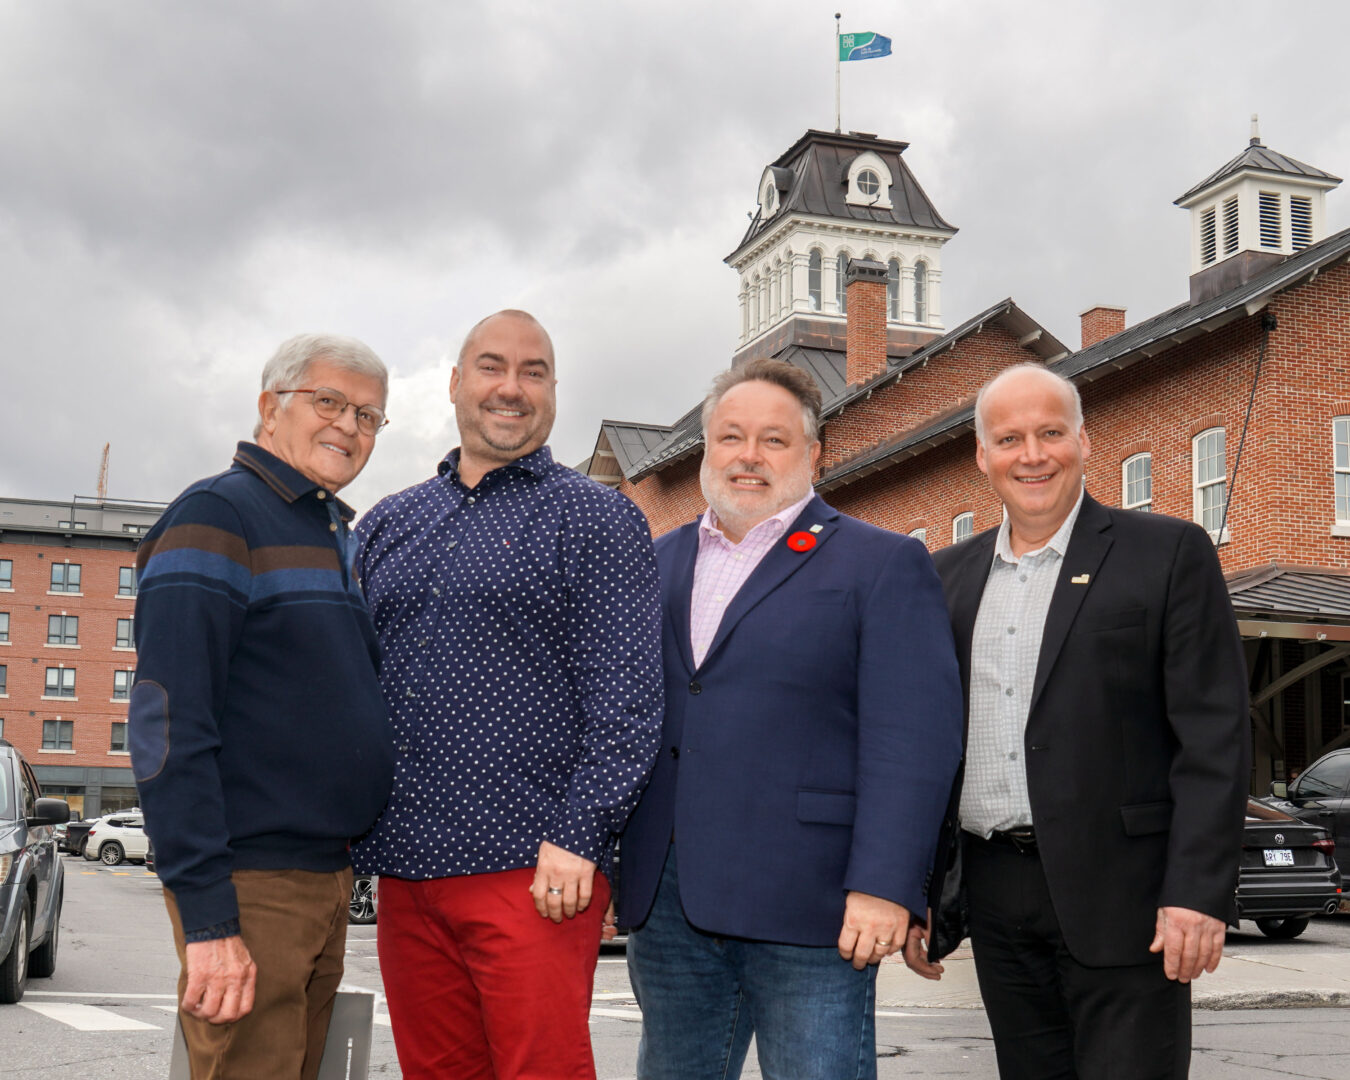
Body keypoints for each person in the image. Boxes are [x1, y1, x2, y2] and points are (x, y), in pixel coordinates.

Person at [617, 357, 964, 1080]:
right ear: (706, 450)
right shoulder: (654, 562)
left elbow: (914, 742)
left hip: (815, 905)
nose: (748, 457)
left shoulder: (882, 563)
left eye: (773, 440)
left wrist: (887, 884)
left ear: (813, 454)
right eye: (730, 437)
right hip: (672, 903)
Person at [903, 363, 1250, 1080]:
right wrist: (920, 892)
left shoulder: (1168, 553)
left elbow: (1213, 740)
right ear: (982, 455)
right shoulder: (943, 578)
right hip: (997, 898)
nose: (1032, 455)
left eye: (1050, 433)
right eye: (1009, 439)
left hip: (1130, 899)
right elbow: (923, 748)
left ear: (1084, 440)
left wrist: (1196, 893)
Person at [353, 309, 663, 1079]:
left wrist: (581, 835)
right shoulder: (388, 523)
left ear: (553, 390)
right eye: (492, 366)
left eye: (534, 371)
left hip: (532, 871)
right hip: (405, 869)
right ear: (456, 383)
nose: (511, 388)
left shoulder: (597, 517)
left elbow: (627, 698)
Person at [130, 334, 397, 1079]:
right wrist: (211, 920)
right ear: (268, 407)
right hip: (252, 886)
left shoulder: (326, 529)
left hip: (320, 879)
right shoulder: (218, 516)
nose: (350, 425)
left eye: (370, 416)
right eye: (329, 402)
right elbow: (165, 726)